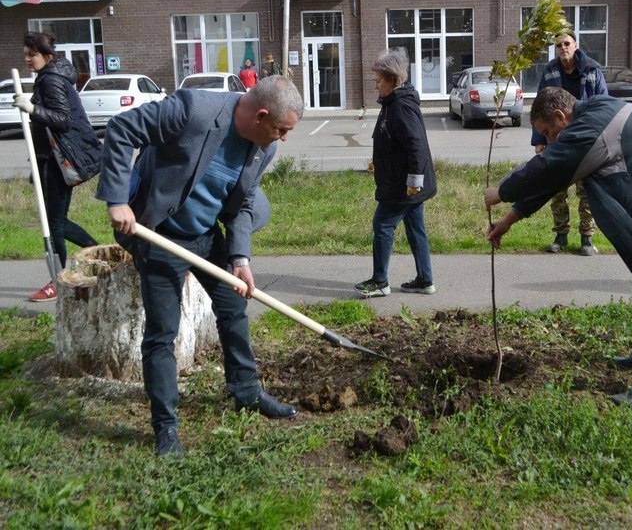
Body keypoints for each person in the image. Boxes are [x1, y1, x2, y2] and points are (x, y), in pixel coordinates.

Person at [96, 75, 305, 457]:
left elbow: (242, 205)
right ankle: (166, 428)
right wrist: (116, 198)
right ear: (261, 115)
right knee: (162, 332)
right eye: (281, 129)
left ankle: (246, 392)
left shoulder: (263, 148)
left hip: (208, 236)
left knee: (233, 308)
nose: (283, 138)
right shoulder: (192, 111)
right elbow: (121, 128)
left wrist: (240, 258)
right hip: (159, 233)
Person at [484, 87, 632, 410]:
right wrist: (508, 220)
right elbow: (554, 179)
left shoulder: (591, 127)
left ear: (561, 117)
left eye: (550, 133)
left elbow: (549, 167)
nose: (550, 141)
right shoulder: (591, 119)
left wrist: (502, 191)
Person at [13, 32, 100, 302]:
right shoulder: (48, 77)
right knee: (57, 220)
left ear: (47, 56)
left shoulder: (51, 80)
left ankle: (59, 279)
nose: (27, 59)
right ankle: (96, 252)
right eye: (25, 54)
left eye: (32, 54)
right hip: (48, 159)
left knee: (54, 223)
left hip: (58, 161)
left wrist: (31, 109)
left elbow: (62, 120)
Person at [354, 48, 437, 298]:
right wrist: (378, 162)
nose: (376, 85)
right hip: (400, 180)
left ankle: (380, 281)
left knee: (382, 225)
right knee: (415, 229)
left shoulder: (401, 105)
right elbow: (392, 139)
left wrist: (414, 182)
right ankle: (425, 280)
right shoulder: (392, 103)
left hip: (403, 186)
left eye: (379, 81)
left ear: (393, 80)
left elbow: (416, 146)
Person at [534, 31, 607, 256]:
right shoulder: (549, 72)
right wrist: (539, 140)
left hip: (585, 139)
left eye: (566, 43)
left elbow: (603, 103)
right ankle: (561, 236)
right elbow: (539, 107)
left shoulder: (592, 70)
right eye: (558, 45)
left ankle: (587, 237)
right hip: (556, 139)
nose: (563, 48)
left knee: (586, 192)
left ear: (575, 45)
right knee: (557, 190)